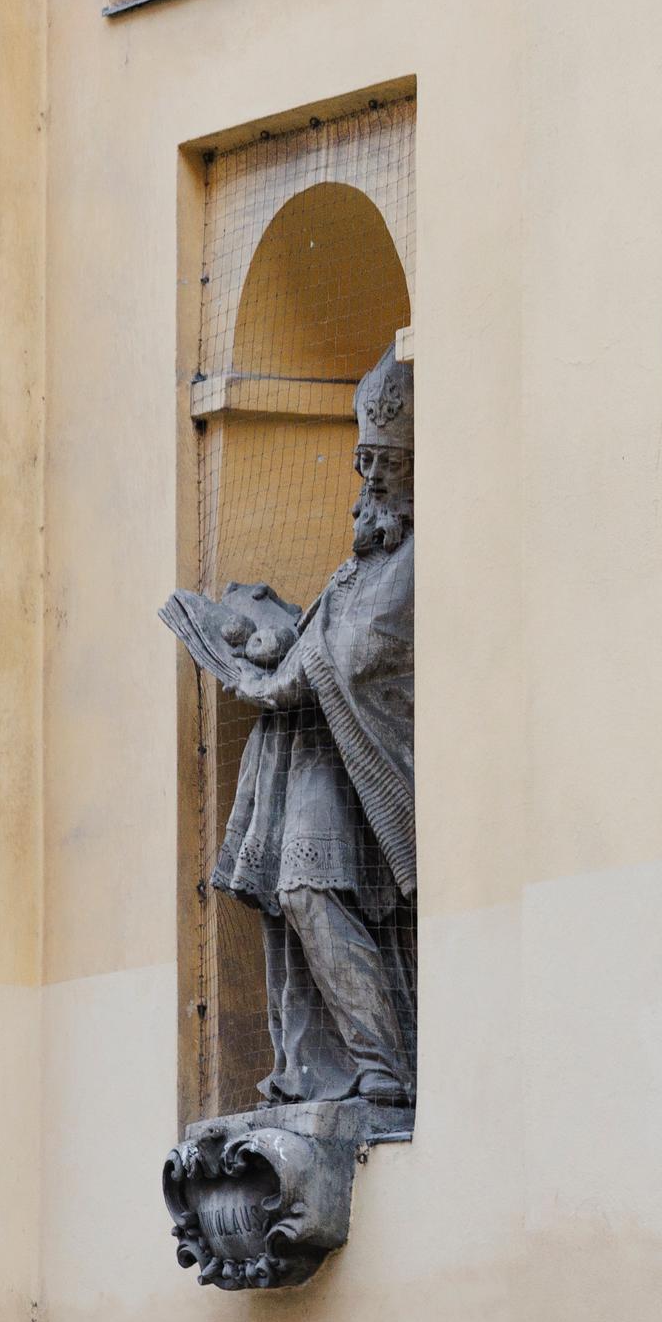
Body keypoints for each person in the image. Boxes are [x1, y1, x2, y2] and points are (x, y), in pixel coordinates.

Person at [165, 345, 418, 1110]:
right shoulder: (367, 556)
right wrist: (280, 636)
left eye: (389, 461)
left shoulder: (414, 559)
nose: (371, 477)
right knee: (297, 893)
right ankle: (331, 1067)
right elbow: (331, 629)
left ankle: (384, 1065)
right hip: (314, 748)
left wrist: (280, 671)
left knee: (309, 889)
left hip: (364, 760)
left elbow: (364, 650)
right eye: (364, 460)